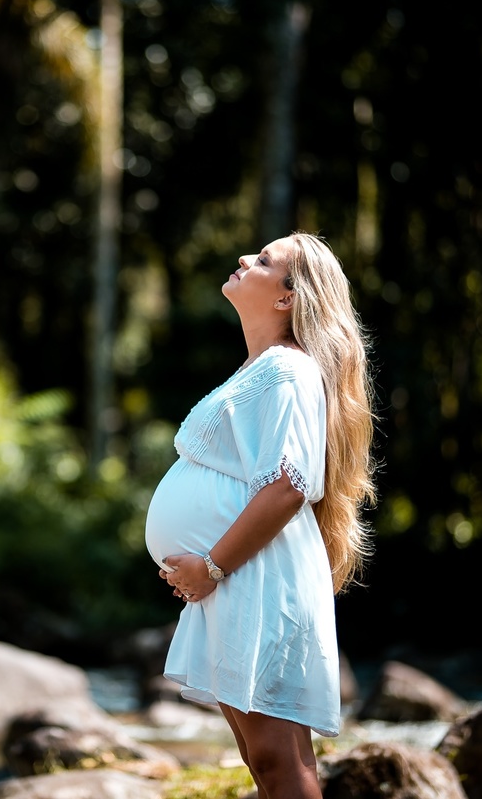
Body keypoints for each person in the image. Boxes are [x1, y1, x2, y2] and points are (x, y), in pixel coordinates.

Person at [144, 231, 377, 799]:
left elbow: (288, 487)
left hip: (253, 576)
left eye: (265, 260)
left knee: (277, 758)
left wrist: (213, 567)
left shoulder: (287, 372)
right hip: (241, 579)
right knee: (264, 757)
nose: (245, 259)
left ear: (286, 297)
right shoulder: (262, 370)